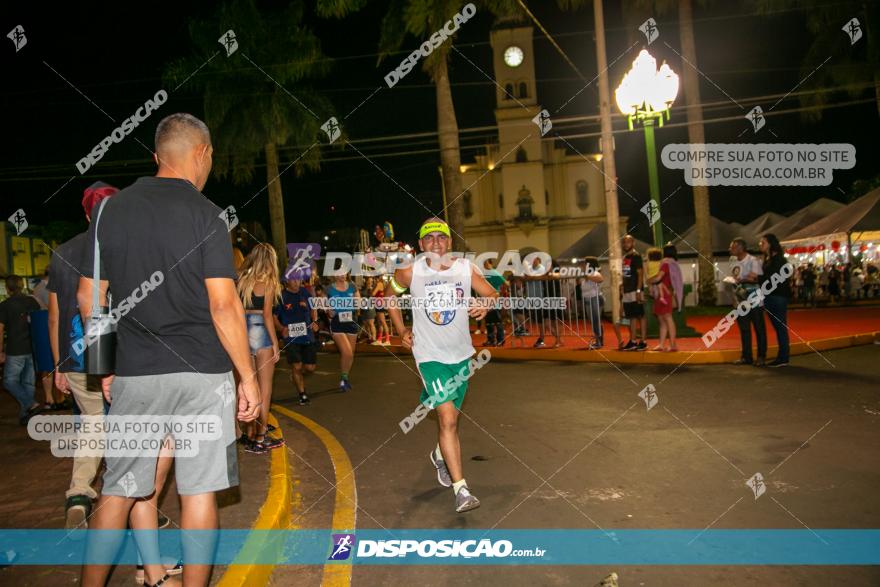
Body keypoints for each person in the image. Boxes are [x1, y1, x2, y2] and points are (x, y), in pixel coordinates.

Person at [78, 113, 261, 587]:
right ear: (200, 153)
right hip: (203, 374)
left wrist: (104, 368)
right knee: (198, 491)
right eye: (211, 157)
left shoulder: (109, 211)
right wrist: (248, 376)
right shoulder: (207, 215)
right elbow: (223, 306)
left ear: (157, 156)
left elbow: (89, 298)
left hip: (136, 372)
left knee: (117, 491)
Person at [385, 218, 498, 513]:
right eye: (429, 238)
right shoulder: (409, 272)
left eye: (441, 238)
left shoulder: (464, 269)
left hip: (462, 356)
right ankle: (462, 490)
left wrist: (486, 305)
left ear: (449, 242)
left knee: (452, 418)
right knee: (447, 418)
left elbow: (492, 294)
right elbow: (388, 297)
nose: (436, 242)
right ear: (421, 245)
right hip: (429, 355)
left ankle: (440, 455)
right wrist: (400, 331)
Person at [48, 181, 119, 530]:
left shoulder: (62, 251)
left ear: (86, 212)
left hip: (76, 355)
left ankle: (78, 492)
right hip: (117, 353)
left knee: (93, 423)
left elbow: (56, 314)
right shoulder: (121, 245)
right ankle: (132, 505)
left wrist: (59, 364)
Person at [237, 243, 283, 454]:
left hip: (240, 331)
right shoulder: (269, 282)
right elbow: (266, 316)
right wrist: (275, 343)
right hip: (260, 330)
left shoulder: (241, 280)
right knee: (264, 389)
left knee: (246, 385)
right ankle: (261, 438)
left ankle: (247, 433)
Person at [0, 275, 43, 425]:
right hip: (32, 348)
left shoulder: (5, 305)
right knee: (28, 383)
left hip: (14, 349)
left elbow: (0, 330)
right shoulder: (31, 302)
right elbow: (39, 324)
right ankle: (26, 415)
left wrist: (0, 351)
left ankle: (31, 403)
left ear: (7, 288)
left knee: (9, 381)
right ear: (22, 285)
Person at [274, 278, 317, 406]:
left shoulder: (305, 292)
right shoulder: (281, 296)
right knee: (296, 365)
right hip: (291, 337)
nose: (297, 282)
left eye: (298, 280)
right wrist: (281, 328)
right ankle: (302, 394)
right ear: (287, 281)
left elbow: (313, 307)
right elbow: (273, 316)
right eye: (293, 280)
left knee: (310, 368)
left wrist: (314, 321)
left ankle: (295, 375)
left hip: (307, 336)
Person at [728, 237, 767, 366]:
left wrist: (742, 280)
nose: (730, 249)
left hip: (754, 300)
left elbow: (756, 278)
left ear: (740, 248)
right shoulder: (732, 261)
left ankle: (761, 357)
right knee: (744, 330)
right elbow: (735, 278)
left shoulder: (753, 260)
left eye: (732, 247)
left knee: (759, 329)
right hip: (740, 302)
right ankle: (746, 357)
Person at [759, 234, 792, 367]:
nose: (760, 245)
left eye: (763, 242)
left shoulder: (779, 259)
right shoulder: (768, 259)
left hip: (778, 296)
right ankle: (783, 355)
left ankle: (783, 357)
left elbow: (774, 278)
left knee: (780, 327)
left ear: (771, 244)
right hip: (770, 296)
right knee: (778, 327)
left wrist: (758, 278)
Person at [327, 272, 360, 391]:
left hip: (351, 322)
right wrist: (329, 310)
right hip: (337, 323)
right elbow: (324, 304)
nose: (342, 275)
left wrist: (356, 304)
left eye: (344, 272)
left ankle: (344, 378)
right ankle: (343, 380)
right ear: (334, 275)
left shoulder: (352, 286)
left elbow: (358, 302)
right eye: (339, 273)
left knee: (350, 353)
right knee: (347, 353)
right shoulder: (329, 288)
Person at [648, 245, 682, 352]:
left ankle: (673, 345)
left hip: (663, 294)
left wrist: (649, 280)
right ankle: (662, 345)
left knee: (667, 318)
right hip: (665, 294)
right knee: (663, 320)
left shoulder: (665, 263)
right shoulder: (673, 264)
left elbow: (658, 277)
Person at [620, 235, 647, 351]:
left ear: (633, 243)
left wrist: (638, 290)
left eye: (628, 242)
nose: (626, 244)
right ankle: (633, 341)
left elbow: (640, 273)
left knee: (640, 315)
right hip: (627, 290)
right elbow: (627, 274)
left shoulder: (636, 256)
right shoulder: (625, 257)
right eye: (624, 242)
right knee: (631, 316)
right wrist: (622, 285)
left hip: (635, 290)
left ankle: (643, 341)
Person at [578, 257, 604, 349]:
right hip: (588, 299)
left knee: (596, 320)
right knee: (593, 321)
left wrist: (587, 276)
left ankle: (599, 341)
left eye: (584, 263)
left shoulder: (594, 273)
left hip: (595, 298)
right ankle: (598, 339)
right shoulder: (584, 276)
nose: (583, 265)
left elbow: (600, 279)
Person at [481, 259, 506, 346]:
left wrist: (501, 293)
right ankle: (490, 340)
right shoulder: (484, 274)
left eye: (487, 264)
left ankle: (501, 340)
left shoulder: (494, 273)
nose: (485, 266)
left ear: (491, 264)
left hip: (495, 302)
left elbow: (505, 283)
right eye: (484, 264)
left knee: (497, 321)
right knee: (488, 322)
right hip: (486, 301)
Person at [372, 275, 391, 345]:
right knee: (380, 323)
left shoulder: (379, 284)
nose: (373, 279)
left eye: (374, 278)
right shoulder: (381, 283)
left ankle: (388, 340)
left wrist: (373, 287)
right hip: (379, 304)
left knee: (383, 322)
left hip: (380, 304)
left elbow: (373, 293)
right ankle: (379, 339)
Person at [359, 277, 378, 344]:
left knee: (371, 323)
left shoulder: (372, 289)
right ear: (365, 281)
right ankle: (370, 338)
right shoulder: (362, 289)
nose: (370, 283)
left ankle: (374, 338)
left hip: (370, 308)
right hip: (364, 308)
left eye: (371, 281)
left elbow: (372, 296)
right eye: (369, 281)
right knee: (366, 324)